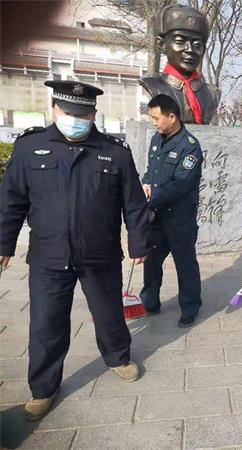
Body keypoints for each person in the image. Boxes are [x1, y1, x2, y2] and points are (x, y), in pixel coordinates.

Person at [0, 81, 150, 421]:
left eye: (84, 115)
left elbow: (133, 203)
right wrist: (4, 243)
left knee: (109, 313)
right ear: (54, 110)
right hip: (48, 255)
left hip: (100, 254)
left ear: (93, 115)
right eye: (70, 113)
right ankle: (43, 388)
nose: (76, 120)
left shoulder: (114, 151)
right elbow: (11, 201)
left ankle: (118, 357)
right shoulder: (30, 148)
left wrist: (139, 241)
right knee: (46, 323)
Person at [140, 94, 204, 328]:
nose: (154, 123)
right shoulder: (156, 140)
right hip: (157, 217)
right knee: (151, 262)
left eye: (157, 118)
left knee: (185, 264)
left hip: (180, 219)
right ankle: (150, 303)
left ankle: (190, 307)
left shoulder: (190, 147)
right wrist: (146, 182)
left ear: (172, 117)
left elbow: (180, 184)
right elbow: (151, 169)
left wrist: (149, 202)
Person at [139, 5, 220, 124]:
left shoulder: (211, 94)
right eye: (180, 41)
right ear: (162, 44)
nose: (189, 49)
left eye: (197, 45)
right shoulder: (154, 86)